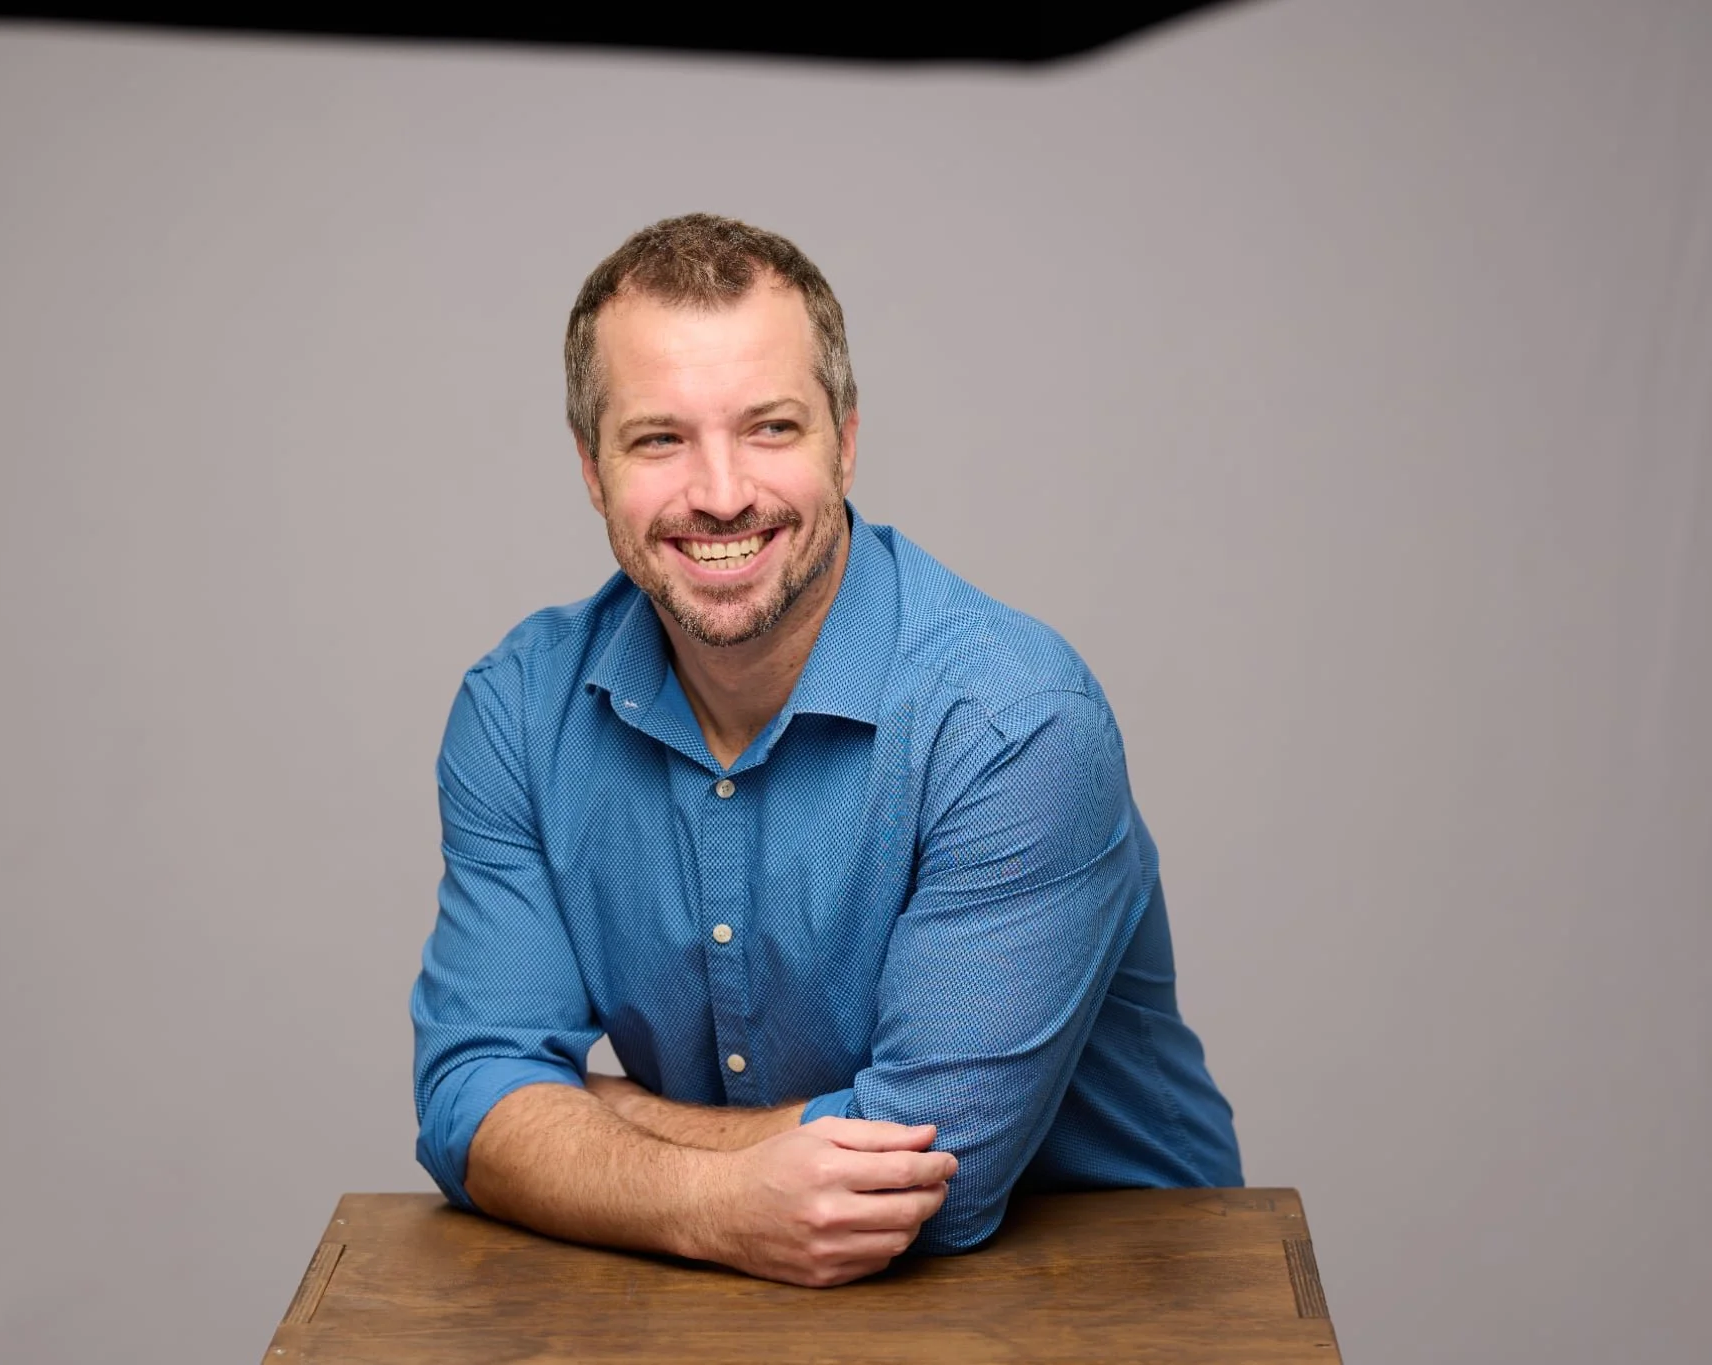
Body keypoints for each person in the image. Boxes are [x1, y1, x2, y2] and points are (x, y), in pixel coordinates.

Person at [410, 213, 1241, 1289]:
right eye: (659, 439)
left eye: (770, 428)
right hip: (735, 1300)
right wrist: (712, 1201)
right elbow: (467, 1096)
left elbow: (932, 1180)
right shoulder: (521, 710)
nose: (720, 494)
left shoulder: (1014, 722)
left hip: (1120, 1301)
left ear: (844, 441)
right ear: (591, 467)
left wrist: (593, 1116)